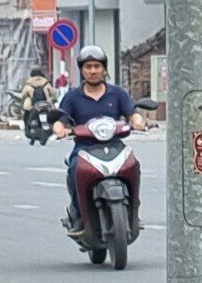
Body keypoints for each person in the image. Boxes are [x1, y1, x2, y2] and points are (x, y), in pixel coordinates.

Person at [52, 43, 143, 230]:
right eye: (88, 67)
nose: (93, 71)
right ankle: (78, 215)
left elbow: (132, 113)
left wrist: (138, 120)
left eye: (97, 66)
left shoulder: (118, 93)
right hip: (84, 148)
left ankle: (133, 212)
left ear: (104, 69)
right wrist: (59, 128)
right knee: (73, 169)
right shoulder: (72, 96)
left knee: (134, 165)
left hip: (115, 146)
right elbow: (60, 119)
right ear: (82, 70)